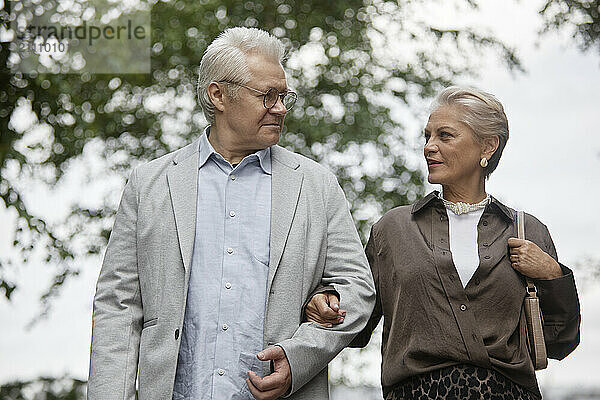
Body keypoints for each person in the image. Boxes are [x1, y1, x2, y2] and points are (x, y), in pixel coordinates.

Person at [87, 27, 375, 400]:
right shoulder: (149, 184)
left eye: (285, 96)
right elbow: (118, 306)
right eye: (267, 95)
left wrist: (299, 355)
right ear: (218, 94)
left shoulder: (316, 185)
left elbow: (357, 289)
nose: (281, 108)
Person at [306, 86, 580, 399]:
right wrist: (325, 299)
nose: (429, 147)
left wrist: (553, 275)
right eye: (427, 136)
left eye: (445, 135)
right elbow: (358, 324)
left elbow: (560, 344)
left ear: (487, 146)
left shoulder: (528, 230)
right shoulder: (393, 229)